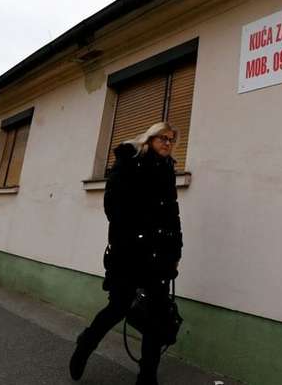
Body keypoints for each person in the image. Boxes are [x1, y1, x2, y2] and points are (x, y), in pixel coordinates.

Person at [70, 122, 183, 385]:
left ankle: (147, 376)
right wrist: (139, 235)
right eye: (162, 138)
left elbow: (172, 215)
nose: (167, 143)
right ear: (149, 139)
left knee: (156, 315)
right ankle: (86, 343)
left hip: (159, 256)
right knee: (118, 307)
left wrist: (175, 250)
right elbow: (113, 208)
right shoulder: (129, 163)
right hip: (128, 253)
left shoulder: (167, 170)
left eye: (171, 139)